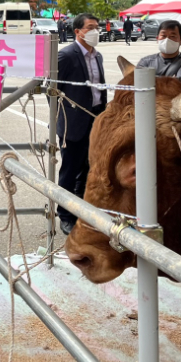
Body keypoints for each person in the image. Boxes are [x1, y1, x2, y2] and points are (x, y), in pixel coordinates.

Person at [55, 13, 107, 235]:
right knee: (69, 170)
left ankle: (82, 211)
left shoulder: (98, 56)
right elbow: (53, 90)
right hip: (73, 123)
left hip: (95, 119)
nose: (96, 31)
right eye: (90, 27)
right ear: (77, 31)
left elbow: (98, 88)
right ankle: (65, 215)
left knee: (89, 168)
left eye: (97, 27)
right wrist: (63, 117)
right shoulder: (66, 55)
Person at [136, 20, 181, 85]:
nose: (167, 40)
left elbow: (179, 84)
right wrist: (170, 80)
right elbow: (138, 81)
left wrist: (149, 79)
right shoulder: (145, 61)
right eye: (163, 36)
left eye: (172, 36)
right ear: (157, 39)